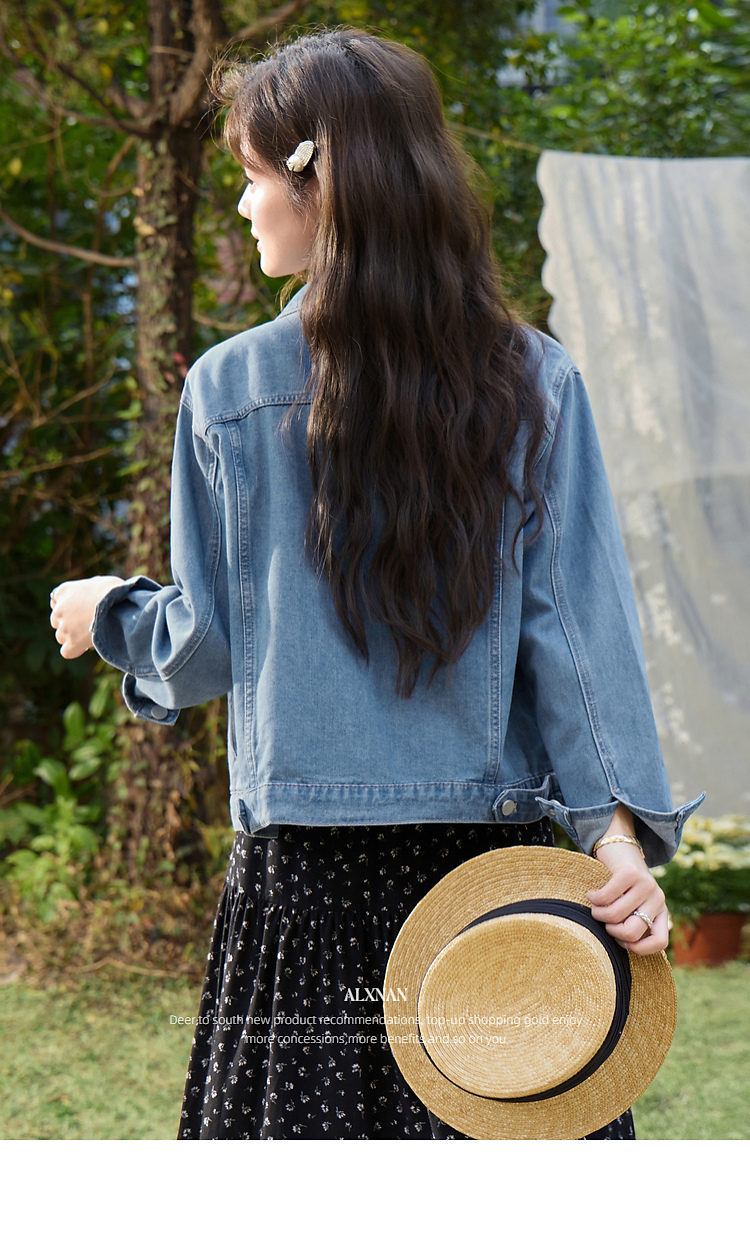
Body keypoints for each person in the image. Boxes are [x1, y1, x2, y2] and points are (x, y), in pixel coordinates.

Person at [49, 28, 705, 1140]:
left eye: (253, 177)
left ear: (321, 183)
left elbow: (204, 647)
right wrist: (618, 842)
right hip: (490, 897)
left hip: (305, 896)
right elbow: (575, 638)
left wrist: (109, 610)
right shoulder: (535, 381)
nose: (244, 206)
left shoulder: (230, 391)